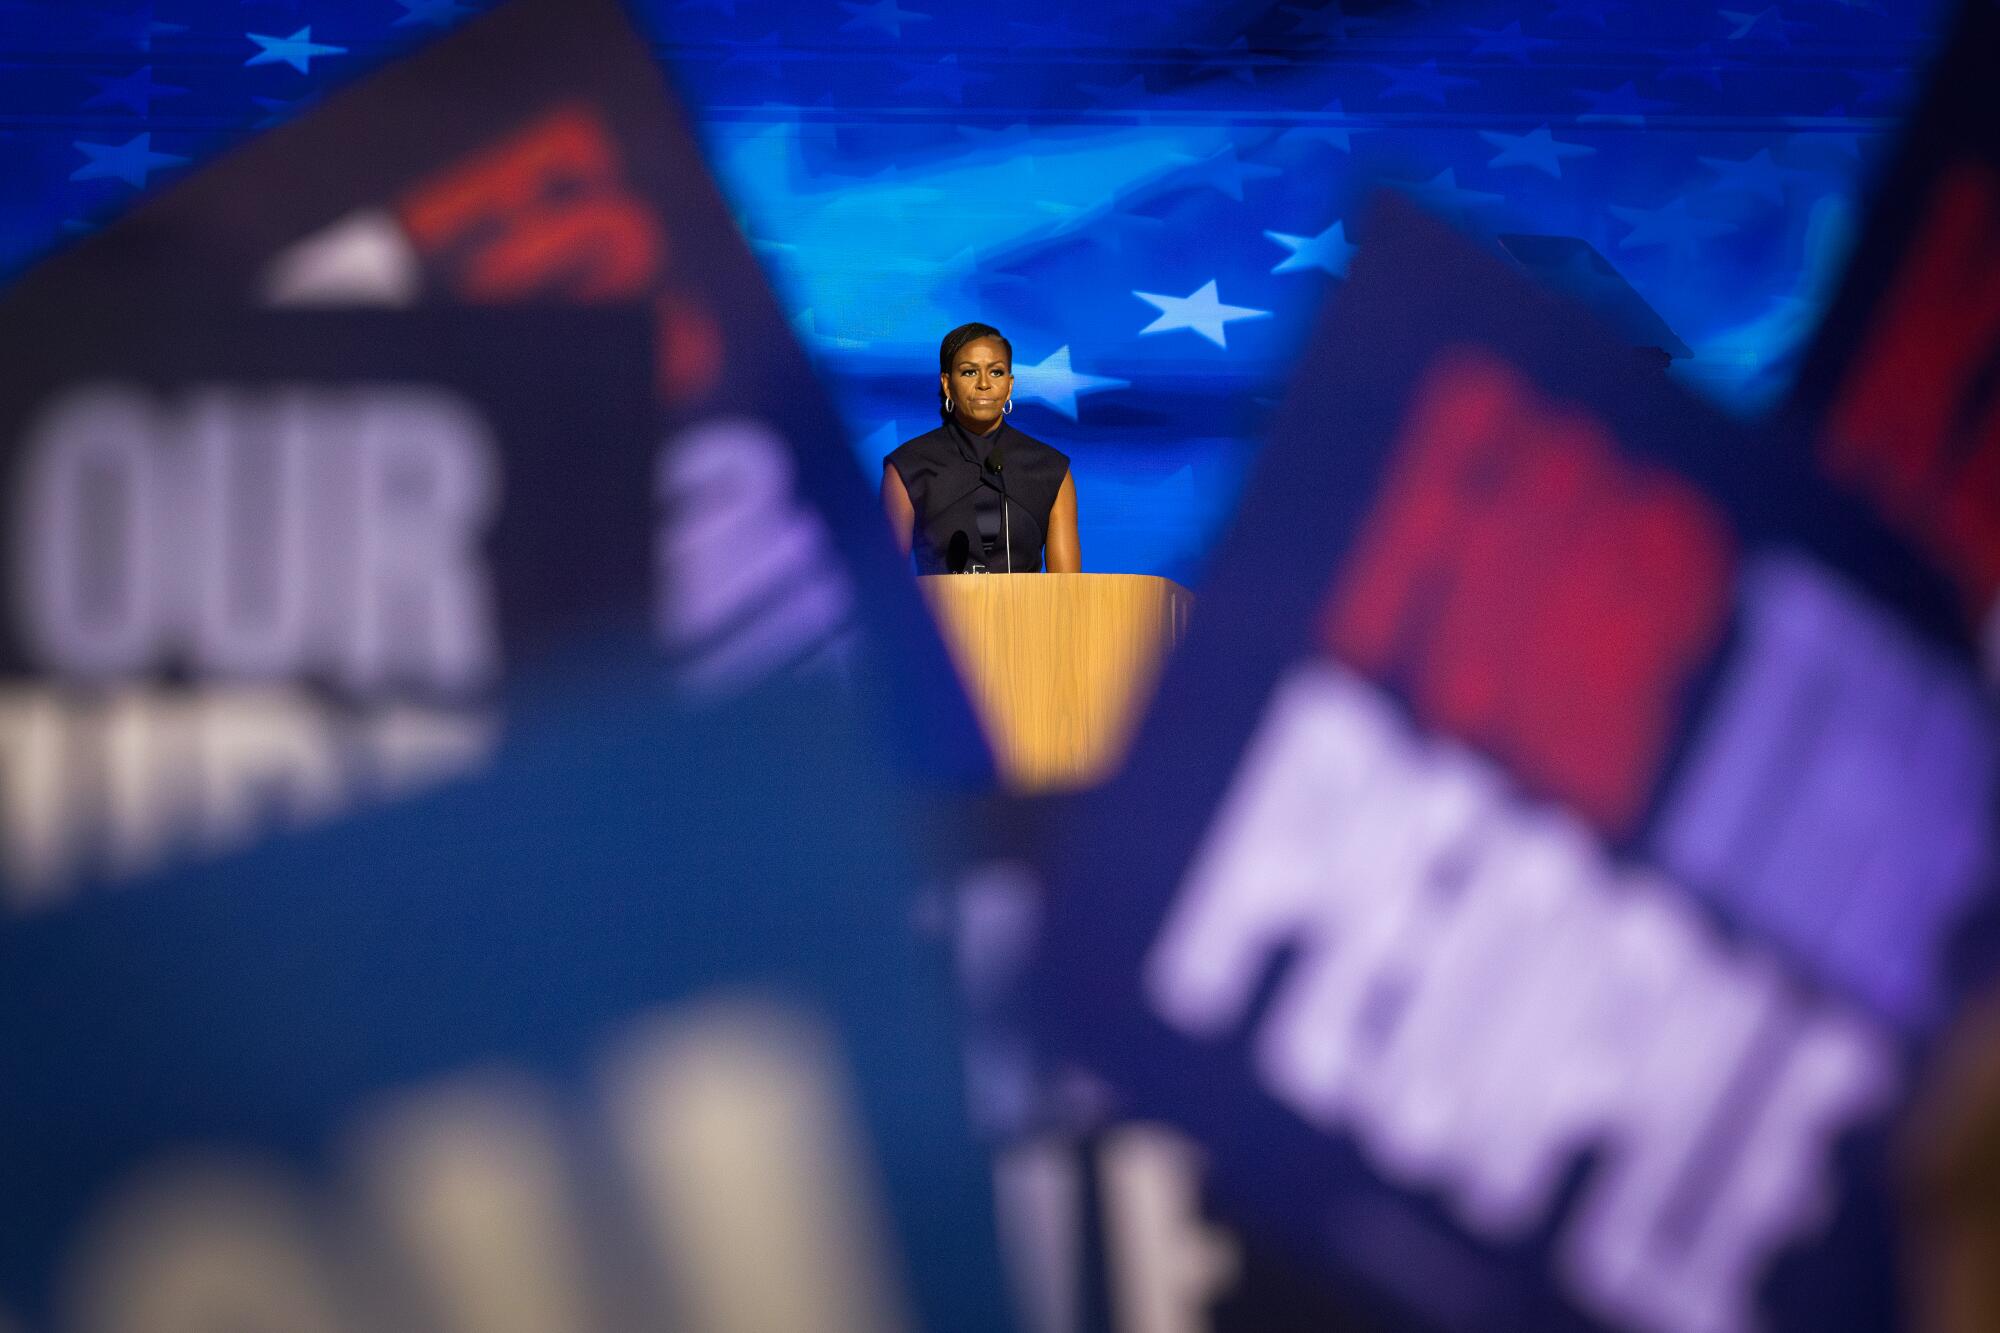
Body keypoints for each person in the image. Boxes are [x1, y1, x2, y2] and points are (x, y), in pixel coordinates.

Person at [882, 322, 1080, 574]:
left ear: (1009, 386)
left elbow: (1071, 593)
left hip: (1028, 613)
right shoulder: (908, 467)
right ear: (947, 384)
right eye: (969, 372)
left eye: (996, 372)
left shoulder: (1051, 469)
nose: (984, 383)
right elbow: (886, 583)